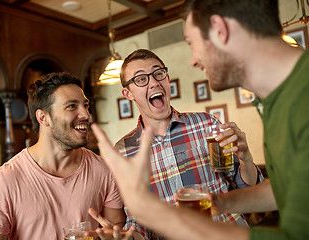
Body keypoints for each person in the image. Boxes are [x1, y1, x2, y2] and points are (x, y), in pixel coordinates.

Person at [90, 0, 309, 239]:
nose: (193, 60)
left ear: (219, 29)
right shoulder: (274, 103)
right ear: (128, 93)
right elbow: (283, 189)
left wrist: (152, 212)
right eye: (141, 79)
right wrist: (219, 203)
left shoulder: (297, 99)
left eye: (191, 43)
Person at [113, 49, 263, 239]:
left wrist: (246, 160)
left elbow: (245, 187)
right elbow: (137, 221)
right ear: (128, 93)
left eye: (158, 73)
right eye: (141, 79)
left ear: (167, 79)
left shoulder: (206, 124)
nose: (153, 82)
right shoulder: (123, 151)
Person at [0, 72, 127, 240]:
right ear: (43, 117)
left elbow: (116, 228)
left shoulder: (103, 169)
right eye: (72, 106)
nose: (86, 115)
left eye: (86, 105)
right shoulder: (4, 181)